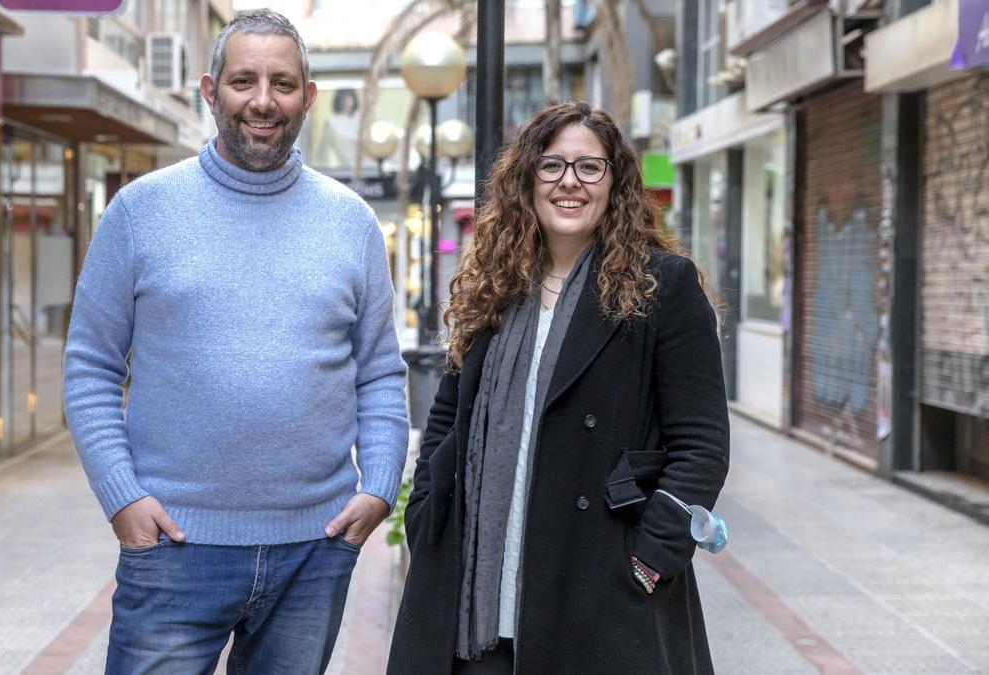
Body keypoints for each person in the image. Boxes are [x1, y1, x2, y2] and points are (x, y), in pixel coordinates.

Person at [62, 9, 408, 674]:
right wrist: (122, 495)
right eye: (243, 81)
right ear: (209, 89)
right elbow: (90, 364)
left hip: (315, 547)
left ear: (307, 96)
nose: (262, 101)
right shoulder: (140, 212)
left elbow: (378, 372)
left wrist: (382, 484)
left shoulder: (352, 222)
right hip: (172, 545)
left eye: (282, 83)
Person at [388, 102, 729, 673]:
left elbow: (702, 445)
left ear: (614, 183)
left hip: (603, 586)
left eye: (589, 167)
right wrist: (427, 511)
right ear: (526, 180)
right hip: (476, 587)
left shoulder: (662, 287)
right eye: (551, 166)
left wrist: (651, 557)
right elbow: (447, 419)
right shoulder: (492, 286)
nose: (569, 182)